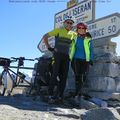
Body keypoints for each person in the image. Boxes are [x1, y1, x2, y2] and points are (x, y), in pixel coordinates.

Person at [42, 17, 77, 103]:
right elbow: (45, 36)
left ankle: (60, 96)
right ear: (64, 23)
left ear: (72, 25)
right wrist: (49, 47)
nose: (69, 24)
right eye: (67, 22)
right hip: (57, 55)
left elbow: (76, 43)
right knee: (54, 75)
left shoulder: (73, 34)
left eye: (71, 23)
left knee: (64, 77)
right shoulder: (58, 30)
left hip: (66, 57)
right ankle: (50, 95)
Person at [70, 22, 94, 105]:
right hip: (76, 60)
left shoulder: (88, 39)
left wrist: (91, 59)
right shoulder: (74, 38)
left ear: (85, 29)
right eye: (79, 28)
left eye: (83, 28)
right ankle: (77, 95)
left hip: (85, 61)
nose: (81, 29)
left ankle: (77, 95)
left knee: (82, 78)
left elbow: (91, 49)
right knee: (78, 77)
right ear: (77, 29)